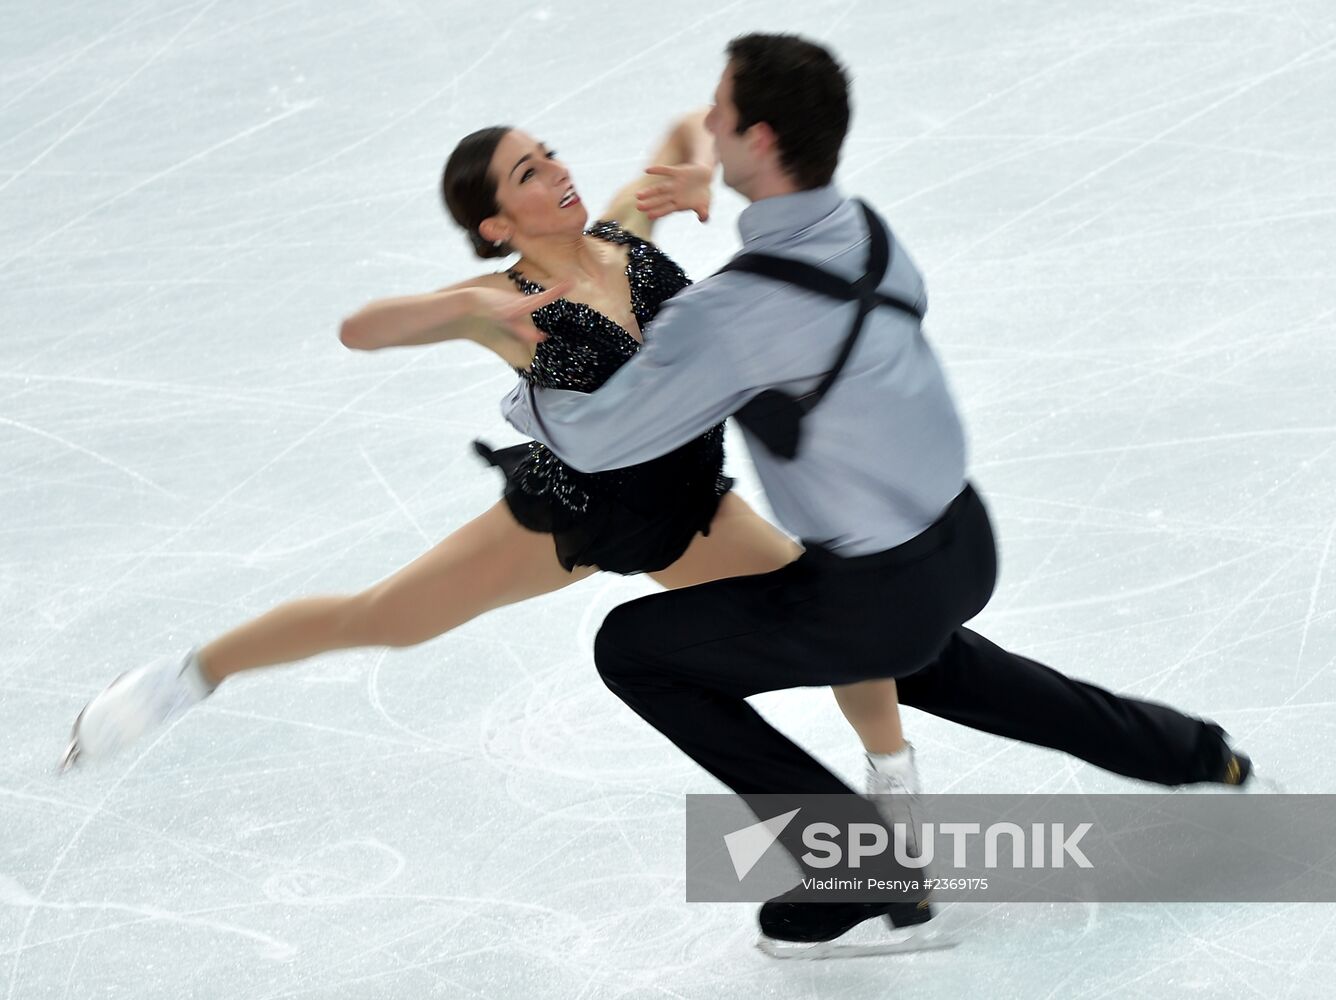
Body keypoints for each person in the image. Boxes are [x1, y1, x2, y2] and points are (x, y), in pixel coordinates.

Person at [501, 32, 1253, 954]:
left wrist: (526, 390)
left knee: (636, 650)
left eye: (724, 114)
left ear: (764, 141)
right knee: (950, 667)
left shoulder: (729, 315)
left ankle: (856, 867)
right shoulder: (865, 230)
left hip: (875, 590)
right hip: (962, 542)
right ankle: (1192, 750)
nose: (707, 122)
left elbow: (607, 435)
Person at [59, 110, 918, 803]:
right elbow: (363, 330)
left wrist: (700, 167)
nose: (557, 171)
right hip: (576, 512)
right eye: (529, 173)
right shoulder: (496, 299)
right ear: (496, 223)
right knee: (385, 618)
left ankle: (894, 787)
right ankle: (188, 674)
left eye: (549, 154)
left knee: (843, 621)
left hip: (691, 510)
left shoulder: (627, 232)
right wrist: (463, 312)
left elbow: (692, 125)